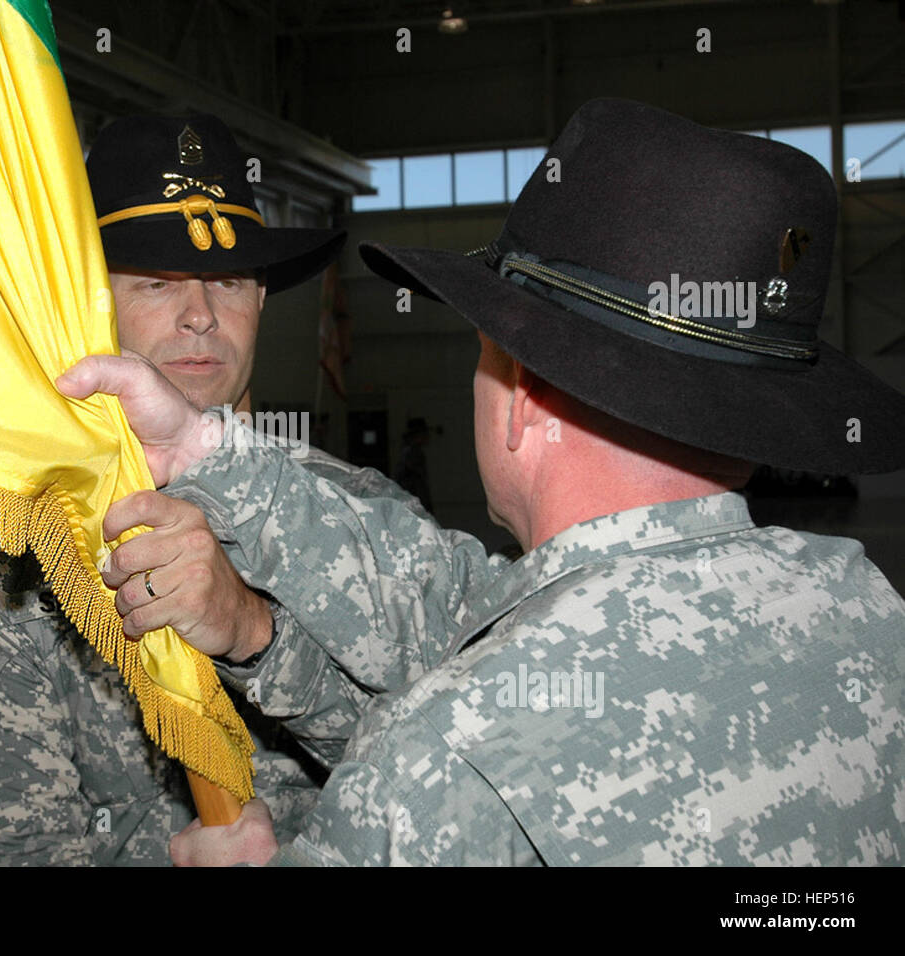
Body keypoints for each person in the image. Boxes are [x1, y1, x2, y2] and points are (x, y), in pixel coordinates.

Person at [58, 98, 905, 866]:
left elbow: (459, 668)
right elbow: (459, 606)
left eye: (482, 345)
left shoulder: (438, 765)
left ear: (521, 404)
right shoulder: (867, 614)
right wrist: (245, 598)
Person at [0, 113, 425, 865]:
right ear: (88, 307)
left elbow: (469, 770)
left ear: (261, 302)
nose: (200, 316)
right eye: (156, 283)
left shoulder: (362, 519)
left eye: (226, 280)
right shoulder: (5, 591)